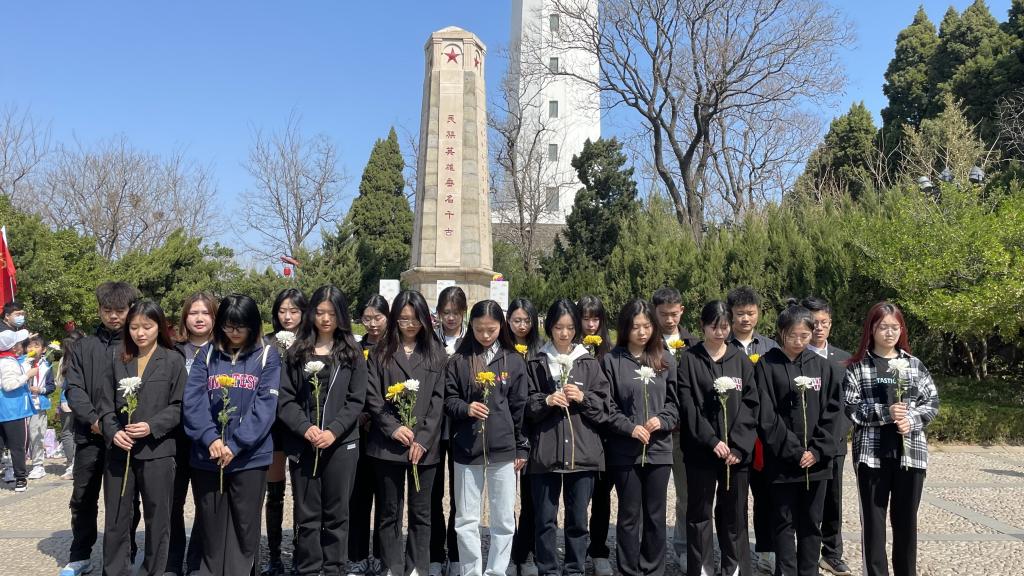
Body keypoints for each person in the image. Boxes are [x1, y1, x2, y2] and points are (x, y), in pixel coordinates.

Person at [184, 294, 281, 575]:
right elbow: (193, 400)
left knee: (244, 524)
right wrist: (210, 438)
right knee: (211, 522)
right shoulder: (207, 354)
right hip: (208, 455)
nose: (234, 332)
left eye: (241, 326)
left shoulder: (267, 355)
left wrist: (236, 444)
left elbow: (265, 406)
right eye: (228, 326)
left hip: (250, 457)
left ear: (254, 325)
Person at [278, 285, 367, 576]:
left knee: (337, 514)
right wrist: (306, 429)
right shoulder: (297, 352)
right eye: (320, 312)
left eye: (332, 313)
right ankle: (308, 568)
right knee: (307, 515)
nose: (326, 319)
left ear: (341, 315)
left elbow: (356, 400)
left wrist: (333, 431)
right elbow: (285, 399)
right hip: (305, 444)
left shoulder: (352, 352)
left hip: (341, 444)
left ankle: (334, 569)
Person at [845, 302, 938, 576]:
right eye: (883, 327)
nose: (889, 333)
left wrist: (911, 419)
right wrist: (885, 413)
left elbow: (931, 402)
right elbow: (851, 407)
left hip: (910, 455)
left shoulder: (914, 365)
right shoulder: (858, 367)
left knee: (906, 523)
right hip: (872, 456)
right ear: (871, 329)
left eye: (895, 327)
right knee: (873, 525)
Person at [756, 301, 843, 576]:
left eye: (804, 335)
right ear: (781, 333)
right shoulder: (766, 365)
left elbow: (834, 412)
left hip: (816, 463)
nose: (798, 341)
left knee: (811, 523)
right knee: (783, 522)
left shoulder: (823, 367)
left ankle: (809, 571)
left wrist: (816, 451)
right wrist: (794, 451)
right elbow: (765, 414)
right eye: (792, 335)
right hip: (782, 461)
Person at [101, 299, 187, 576]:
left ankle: (153, 570)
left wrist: (152, 426)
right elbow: (104, 404)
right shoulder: (117, 358)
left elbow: (179, 406)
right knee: (117, 517)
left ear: (159, 327)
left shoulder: (173, 360)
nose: (140, 333)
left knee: (158, 517)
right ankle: (115, 571)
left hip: (158, 450)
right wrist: (113, 431)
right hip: (120, 451)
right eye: (134, 327)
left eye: (147, 327)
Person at [525, 298, 610, 576]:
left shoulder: (588, 363)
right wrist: (546, 400)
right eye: (559, 327)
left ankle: (574, 569)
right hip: (545, 453)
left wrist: (583, 397)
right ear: (549, 327)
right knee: (545, 520)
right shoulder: (536, 362)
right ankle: (547, 570)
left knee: (577, 521)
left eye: (570, 327)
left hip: (582, 454)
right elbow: (524, 405)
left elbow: (605, 408)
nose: (564, 333)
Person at [444, 299, 529, 576]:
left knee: (503, 519)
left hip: (503, 450)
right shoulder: (459, 360)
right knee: (466, 519)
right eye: (479, 329)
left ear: (501, 327)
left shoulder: (513, 360)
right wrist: (466, 408)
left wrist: (521, 447)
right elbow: (449, 400)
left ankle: (496, 571)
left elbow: (519, 408)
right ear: (471, 325)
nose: (485, 335)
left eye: (491, 330)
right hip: (466, 450)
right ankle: (470, 571)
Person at [366, 290, 447, 576]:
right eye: (403, 319)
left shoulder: (436, 353)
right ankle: (391, 566)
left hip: (424, 447)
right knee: (389, 510)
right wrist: (393, 427)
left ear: (425, 319)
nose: (410, 325)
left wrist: (423, 439)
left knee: (421, 512)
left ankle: (417, 568)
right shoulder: (380, 352)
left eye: (415, 319)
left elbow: (439, 400)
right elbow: (372, 396)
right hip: (387, 445)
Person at [63, 281, 140, 576]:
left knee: (124, 500)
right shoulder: (83, 347)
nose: (113, 316)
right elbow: (74, 388)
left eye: (120, 310)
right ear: (99, 310)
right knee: (83, 496)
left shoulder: (136, 346)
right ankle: (80, 554)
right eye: (107, 310)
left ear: (130, 309)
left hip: (124, 436)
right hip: (90, 435)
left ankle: (125, 554)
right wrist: (95, 421)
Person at [677, 301, 758, 576]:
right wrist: (711, 440)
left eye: (724, 327)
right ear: (703, 325)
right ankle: (701, 569)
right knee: (700, 513)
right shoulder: (690, 359)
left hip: (735, 455)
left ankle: (733, 568)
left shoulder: (740, 360)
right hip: (701, 452)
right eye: (714, 326)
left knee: (734, 514)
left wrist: (738, 445)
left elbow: (751, 405)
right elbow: (688, 406)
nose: (720, 332)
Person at [601, 299, 678, 576]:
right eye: (636, 327)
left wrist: (662, 420)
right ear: (625, 328)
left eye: (647, 326)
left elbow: (675, 404)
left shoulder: (665, 359)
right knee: (629, 515)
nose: (642, 332)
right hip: (625, 451)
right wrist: (629, 427)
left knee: (656, 515)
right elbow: (606, 406)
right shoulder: (612, 360)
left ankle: (654, 569)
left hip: (659, 450)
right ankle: (629, 569)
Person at [725, 285, 778, 571]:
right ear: (730, 315)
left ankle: (766, 550)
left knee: (766, 496)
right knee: (734, 500)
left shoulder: (770, 347)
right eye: (740, 314)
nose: (746, 318)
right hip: (733, 434)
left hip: (765, 436)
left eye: (751, 313)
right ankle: (736, 554)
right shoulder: (723, 346)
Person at [167, 292, 218, 576]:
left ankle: (197, 561)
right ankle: (171, 561)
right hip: (175, 438)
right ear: (185, 317)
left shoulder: (222, 351)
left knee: (205, 503)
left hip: (208, 438)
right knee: (172, 502)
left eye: (206, 313)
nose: (199, 318)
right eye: (193, 312)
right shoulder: (172, 350)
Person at [802, 296, 852, 576]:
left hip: (834, 444)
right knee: (805, 501)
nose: (819, 328)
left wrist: (831, 439)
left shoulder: (844, 359)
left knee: (833, 500)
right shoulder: (796, 356)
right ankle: (803, 553)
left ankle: (832, 553)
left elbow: (849, 405)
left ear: (831, 324)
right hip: (804, 445)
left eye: (824, 322)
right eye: (814, 323)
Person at [261, 288, 308, 576]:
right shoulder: (267, 342)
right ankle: (275, 555)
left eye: (294, 311)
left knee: (303, 493)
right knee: (275, 492)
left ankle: (302, 553)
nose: (287, 316)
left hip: (302, 423)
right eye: (282, 311)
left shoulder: (312, 341)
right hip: (273, 425)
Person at [650, 286, 698, 567]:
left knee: (687, 495)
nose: (669, 319)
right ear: (654, 312)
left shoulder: (693, 344)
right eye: (663, 314)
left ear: (682, 311)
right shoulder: (646, 342)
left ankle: (683, 547)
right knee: (650, 498)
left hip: (685, 433)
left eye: (674, 313)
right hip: (655, 432)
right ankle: (648, 550)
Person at [348, 294, 390, 576]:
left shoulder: (394, 348)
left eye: (378, 317)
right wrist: (358, 414)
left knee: (387, 500)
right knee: (358, 497)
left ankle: (382, 556)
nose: (372, 324)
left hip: (385, 431)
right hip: (358, 432)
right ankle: (357, 555)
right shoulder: (355, 348)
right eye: (367, 318)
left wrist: (376, 416)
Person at [577, 295, 613, 576]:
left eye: (595, 318)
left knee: (602, 496)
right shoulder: (571, 351)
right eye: (586, 318)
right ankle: (574, 551)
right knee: (577, 499)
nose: (591, 324)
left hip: (606, 434)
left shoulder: (610, 353)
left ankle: (599, 549)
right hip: (578, 434)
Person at [432, 286, 466, 576]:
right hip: (432, 424)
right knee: (432, 493)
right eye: (446, 312)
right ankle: (434, 553)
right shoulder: (429, 339)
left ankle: (456, 554)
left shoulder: (471, 340)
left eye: (456, 312)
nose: (451, 318)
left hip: (461, 425)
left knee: (459, 495)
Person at [505, 297, 541, 576]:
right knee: (505, 500)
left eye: (526, 320)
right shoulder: (502, 351)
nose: (521, 325)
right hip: (507, 431)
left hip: (536, 433)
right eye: (516, 320)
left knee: (531, 498)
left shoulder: (540, 352)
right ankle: (507, 553)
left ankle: (526, 552)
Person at [0, 327, 36, 492]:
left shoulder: (6, 359)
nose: (22, 344)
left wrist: (25, 363)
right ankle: (21, 479)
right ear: (13, 347)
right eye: (19, 342)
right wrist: (28, 375)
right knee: (18, 446)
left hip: (4, 410)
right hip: (13, 410)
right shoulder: (8, 362)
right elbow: (9, 385)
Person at [55, 330, 86, 480]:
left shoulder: (64, 360)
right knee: (81, 431)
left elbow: (59, 383)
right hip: (83, 400)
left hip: (66, 401)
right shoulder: (85, 358)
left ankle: (71, 463)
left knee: (67, 432)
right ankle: (79, 463)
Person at [24, 335, 56, 480]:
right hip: (22, 405)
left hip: (38, 405)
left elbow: (51, 386)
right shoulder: (22, 363)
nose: (32, 349)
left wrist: (40, 390)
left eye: (36, 346)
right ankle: (17, 465)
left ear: (43, 349)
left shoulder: (46, 365)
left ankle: (38, 465)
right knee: (22, 437)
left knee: (36, 435)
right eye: (29, 346)